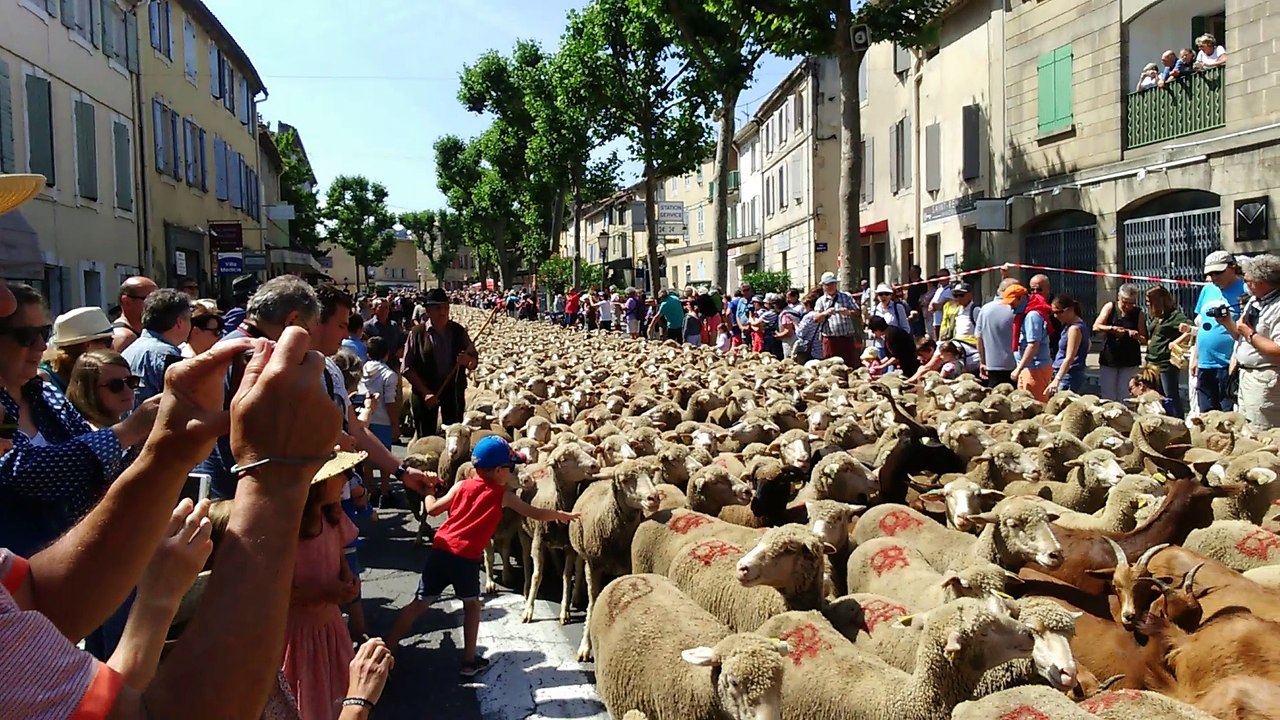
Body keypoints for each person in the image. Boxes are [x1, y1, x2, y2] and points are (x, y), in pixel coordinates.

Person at [385, 437, 579, 677]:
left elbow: (433, 510)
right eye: (510, 467)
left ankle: (387, 649)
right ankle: (468, 662)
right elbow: (534, 513)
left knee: (419, 603)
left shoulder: (461, 486)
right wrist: (560, 514)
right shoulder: (503, 495)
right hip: (466, 559)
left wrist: (428, 491)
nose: (512, 472)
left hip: (441, 550)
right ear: (498, 471)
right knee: (472, 606)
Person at [0, 284, 158, 556]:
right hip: (22, 564)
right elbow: (22, 473)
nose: (41, 345)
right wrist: (128, 431)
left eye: (43, 333)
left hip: (76, 553)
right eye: (26, 336)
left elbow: (96, 464)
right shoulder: (9, 406)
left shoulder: (45, 394)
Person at [282, 453, 363, 720]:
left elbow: (338, 554)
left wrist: (347, 578)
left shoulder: (332, 518)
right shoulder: (289, 532)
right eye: (339, 474)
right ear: (317, 484)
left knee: (336, 690)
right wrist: (324, 592)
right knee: (306, 698)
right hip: (297, 635)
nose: (346, 479)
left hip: (330, 625)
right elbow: (276, 594)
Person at [402, 288, 478, 440]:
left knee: (455, 436)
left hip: (453, 393)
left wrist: (467, 361)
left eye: (445, 308)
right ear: (428, 311)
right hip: (425, 394)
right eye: (438, 308)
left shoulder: (458, 331)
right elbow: (407, 368)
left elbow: (473, 361)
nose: (443, 312)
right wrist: (425, 393)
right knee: (426, 439)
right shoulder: (417, 333)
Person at [1218, 254, 1280, 429]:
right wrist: (1228, 323)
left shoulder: (1277, 307)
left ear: (1261, 282)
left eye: (1247, 280)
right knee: (1246, 429)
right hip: (1246, 377)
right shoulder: (1254, 301)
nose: (1244, 283)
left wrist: (1250, 333)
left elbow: (1278, 349)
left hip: (1266, 380)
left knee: (1263, 432)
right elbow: (1242, 336)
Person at [1190, 250, 1248, 413]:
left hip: (1227, 363)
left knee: (1226, 415)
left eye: (1218, 272)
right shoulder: (1207, 290)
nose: (1214, 277)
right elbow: (1202, 325)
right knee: (1206, 414)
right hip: (1205, 362)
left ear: (1232, 268)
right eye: (1210, 274)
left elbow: (1247, 332)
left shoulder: (1245, 290)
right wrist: (1196, 357)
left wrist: (1235, 358)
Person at [122, 289, 193, 407]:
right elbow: (178, 406)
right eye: (190, 319)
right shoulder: (168, 356)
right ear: (179, 322)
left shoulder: (129, 350)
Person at [39, 306, 116, 393]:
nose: (113, 347)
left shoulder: (90, 375)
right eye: (108, 342)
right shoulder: (44, 380)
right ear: (88, 346)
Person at [1093, 283, 1147, 401]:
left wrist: (1136, 336)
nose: (1127, 306)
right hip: (1110, 357)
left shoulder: (1139, 313)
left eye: (1131, 303)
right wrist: (1112, 329)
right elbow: (1096, 326)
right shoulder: (1110, 307)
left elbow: (1144, 339)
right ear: (1119, 298)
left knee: (1125, 393)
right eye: (1124, 302)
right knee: (1108, 394)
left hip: (1129, 358)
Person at [1144, 285, 1191, 418]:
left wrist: (1176, 342)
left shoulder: (1174, 316)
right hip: (1152, 362)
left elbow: (1190, 329)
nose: (1147, 304)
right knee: (1156, 396)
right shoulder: (1158, 317)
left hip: (1165, 364)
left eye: (1149, 301)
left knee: (1170, 395)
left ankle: (1177, 421)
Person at [1004, 283, 1055, 401]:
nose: (1011, 307)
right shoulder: (1024, 314)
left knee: (1036, 405)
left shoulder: (1032, 316)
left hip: (1035, 369)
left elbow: (1033, 345)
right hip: (1028, 369)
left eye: (1012, 303)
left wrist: (1019, 368)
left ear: (1021, 298)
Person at [66, 350, 138, 430]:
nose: (127, 390)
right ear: (89, 391)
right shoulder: (92, 432)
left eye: (130, 381)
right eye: (115, 385)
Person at [977, 277, 1019, 387]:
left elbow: (979, 338)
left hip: (992, 364)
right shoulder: (1016, 309)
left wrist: (982, 361)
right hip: (1014, 365)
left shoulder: (985, 309)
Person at [360, 336, 400, 450]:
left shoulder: (359, 371)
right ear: (386, 354)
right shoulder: (389, 375)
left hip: (363, 419)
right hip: (383, 422)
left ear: (368, 355)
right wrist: (395, 424)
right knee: (383, 455)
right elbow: (390, 402)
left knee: (364, 455)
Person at [814, 272, 863, 366]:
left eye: (833, 284)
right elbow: (816, 319)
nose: (831, 286)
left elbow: (857, 312)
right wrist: (825, 313)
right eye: (828, 284)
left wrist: (848, 312)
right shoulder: (820, 301)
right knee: (831, 365)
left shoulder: (846, 296)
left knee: (849, 364)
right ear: (823, 286)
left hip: (847, 338)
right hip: (830, 339)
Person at [1049, 294, 1091, 394]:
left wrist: (1057, 379)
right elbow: (1089, 345)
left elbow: (1069, 357)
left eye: (1058, 312)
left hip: (1068, 376)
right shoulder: (1075, 325)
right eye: (1053, 313)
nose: (1055, 316)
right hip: (1069, 374)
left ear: (1070, 310)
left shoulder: (1074, 329)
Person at [111, 276, 158, 353]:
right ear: (127, 302)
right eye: (150, 300)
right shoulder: (124, 338)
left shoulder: (140, 332)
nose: (156, 304)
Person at [791, 291, 825, 363]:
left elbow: (800, 333)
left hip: (810, 349)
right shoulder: (822, 315)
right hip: (820, 349)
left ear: (808, 305)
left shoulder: (808, 317)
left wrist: (795, 325)